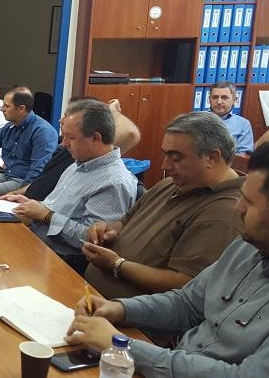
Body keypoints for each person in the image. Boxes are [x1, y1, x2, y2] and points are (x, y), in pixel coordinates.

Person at [65, 143, 269, 377]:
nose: (238, 207)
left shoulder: (227, 223)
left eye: (249, 202)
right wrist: (120, 309)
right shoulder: (245, 248)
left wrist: (125, 348)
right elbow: (186, 304)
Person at [83, 111, 244, 301]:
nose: (164, 166)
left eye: (176, 158)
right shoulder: (172, 184)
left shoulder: (223, 212)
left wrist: (117, 265)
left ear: (212, 158)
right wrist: (107, 231)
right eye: (166, 155)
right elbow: (125, 222)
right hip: (90, 294)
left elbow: (185, 284)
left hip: (123, 313)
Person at [1, 100, 138, 274]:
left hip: (60, 264)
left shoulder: (113, 182)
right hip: (36, 243)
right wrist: (32, 205)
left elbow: (92, 242)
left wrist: (46, 216)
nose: (64, 143)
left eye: (70, 137)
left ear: (96, 138)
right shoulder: (78, 164)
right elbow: (59, 208)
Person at [12, 97, 141, 200]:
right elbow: (42, 183)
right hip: (30, 206)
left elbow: (131, 133)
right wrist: (15, 195)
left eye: (66, 115)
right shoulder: (68, 151)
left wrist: (111, 111)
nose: (60, 120)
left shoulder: (81, 150)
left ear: (95, 138)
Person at [208, 81, 253, 154]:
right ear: (209, 99)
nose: (219, 102)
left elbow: (243, 155)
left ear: (234, 100)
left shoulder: (243, 124)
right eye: (215, 97)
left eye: (224, 98)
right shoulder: (196, 120)